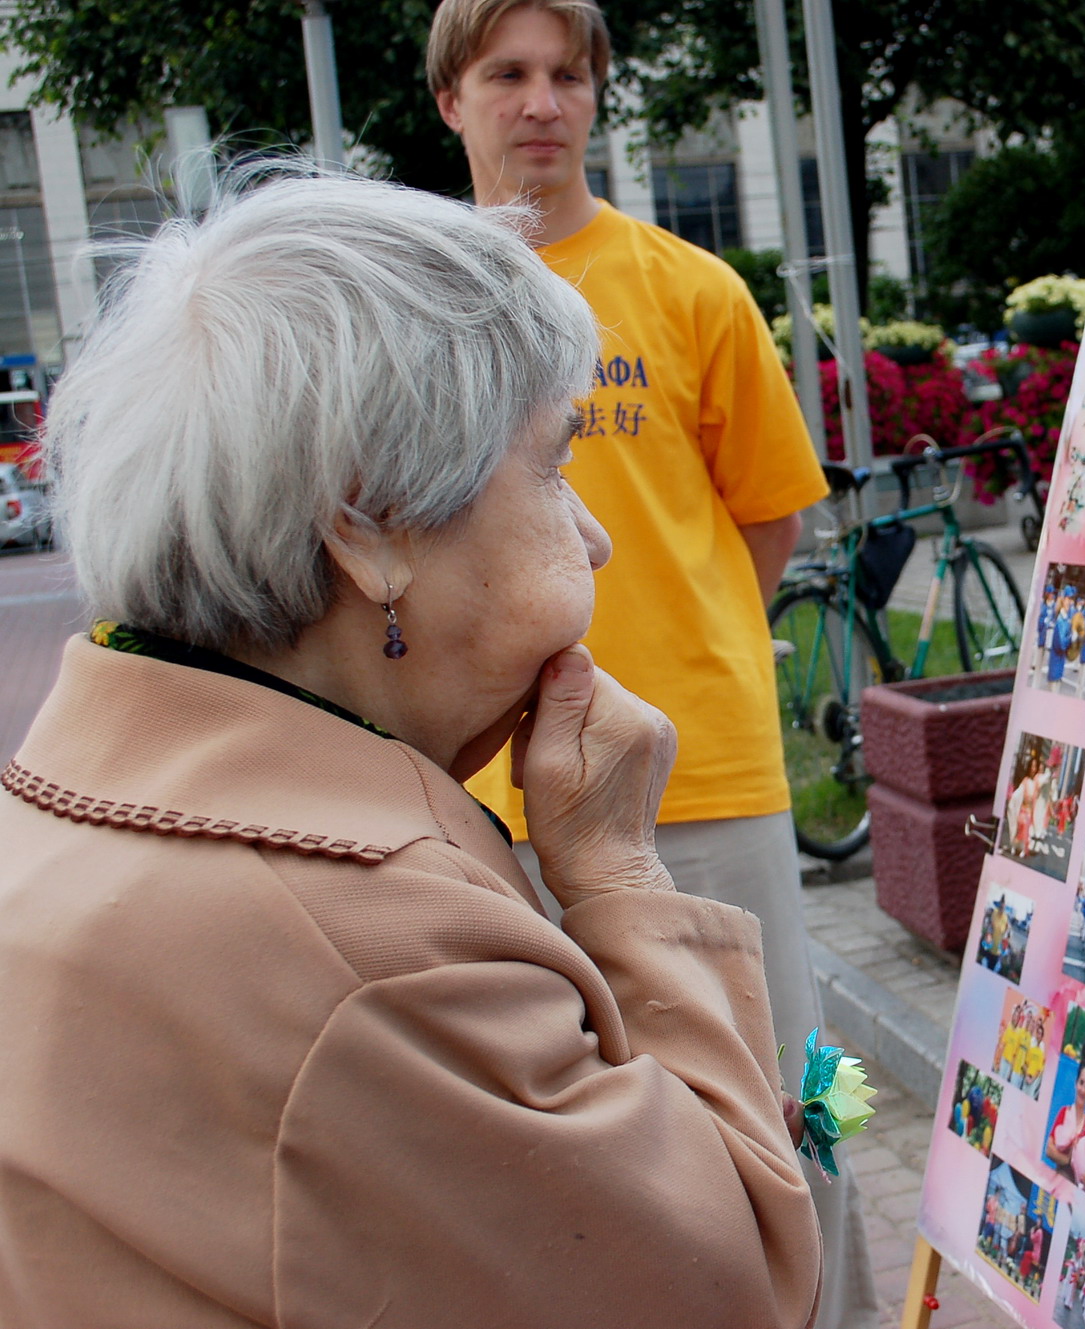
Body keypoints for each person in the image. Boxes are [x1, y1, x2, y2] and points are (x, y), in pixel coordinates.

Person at [0, 172, 820, 1324]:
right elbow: (726, 1282)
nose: (591, 541)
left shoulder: (60, 797)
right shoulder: (384, 952)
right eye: (551, 465)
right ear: (368, 525)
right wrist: (620, 878)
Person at [424, 3, 877, 1320]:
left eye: (568, 75)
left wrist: (681, 644)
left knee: (781, 1094)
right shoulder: (416, 315)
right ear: (452, 101)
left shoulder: (694, 289)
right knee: (547, 1132)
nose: (541, 104)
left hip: (708, 770)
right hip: (475, 789)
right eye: (507, 74)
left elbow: (768, 516)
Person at [1048, 1062, 1085, 1190]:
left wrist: (1083, 1173)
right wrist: (1068, 1159)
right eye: (1081, 1083)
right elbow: (1049, 1150)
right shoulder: (1064, 1113)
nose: (1083, 1090)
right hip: (1056, 1184)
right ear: (1076, 1083)